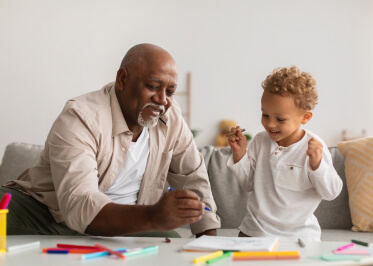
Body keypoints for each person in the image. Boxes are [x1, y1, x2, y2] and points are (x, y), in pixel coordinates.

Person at [1, 43, 220, 238]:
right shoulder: (81, 116)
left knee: (170, 239)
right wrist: (153, 215)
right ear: (122, 79)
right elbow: (80, 203)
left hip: (127, 219)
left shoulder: (170, 117)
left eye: (170, 91)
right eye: (153, 86)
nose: (162, 100)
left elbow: (192, 176)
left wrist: (209, 240)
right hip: (46, 211)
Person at [227, 66, 342, 240]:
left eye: (280, 119)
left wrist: (317, 165)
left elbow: (331, 192)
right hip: (254, 231)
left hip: (300, 236)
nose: (270, 124)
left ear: (305, 117)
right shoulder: (260, 141)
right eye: (265, 115)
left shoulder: (314, 147)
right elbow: (249, 184)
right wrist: (240, 154)